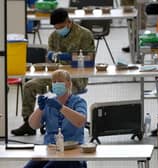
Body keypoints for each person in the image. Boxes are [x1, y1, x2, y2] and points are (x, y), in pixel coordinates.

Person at [11, 8, 95, 136]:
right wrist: (50, 55)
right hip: (56, 76)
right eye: (56, 27)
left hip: (76, 77)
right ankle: (28, 124)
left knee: (63, 92)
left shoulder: (84, 35)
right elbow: (50, 58)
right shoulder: (54, 36)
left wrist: (67, 56)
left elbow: (90, 59)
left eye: (61, 27)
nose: (59, 30)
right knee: (29, 86)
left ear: (68, 22)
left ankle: (68, 121)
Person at [24, 69, 87, 168]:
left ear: (69, 83)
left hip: (72, 151)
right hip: (50, 150)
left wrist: (61, 107)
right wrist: (40, 109)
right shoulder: (49, 103)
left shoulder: (78, 102)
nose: (57, 84)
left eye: (60, 81)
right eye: (54, 82)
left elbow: (80, 121)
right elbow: (33, 125)